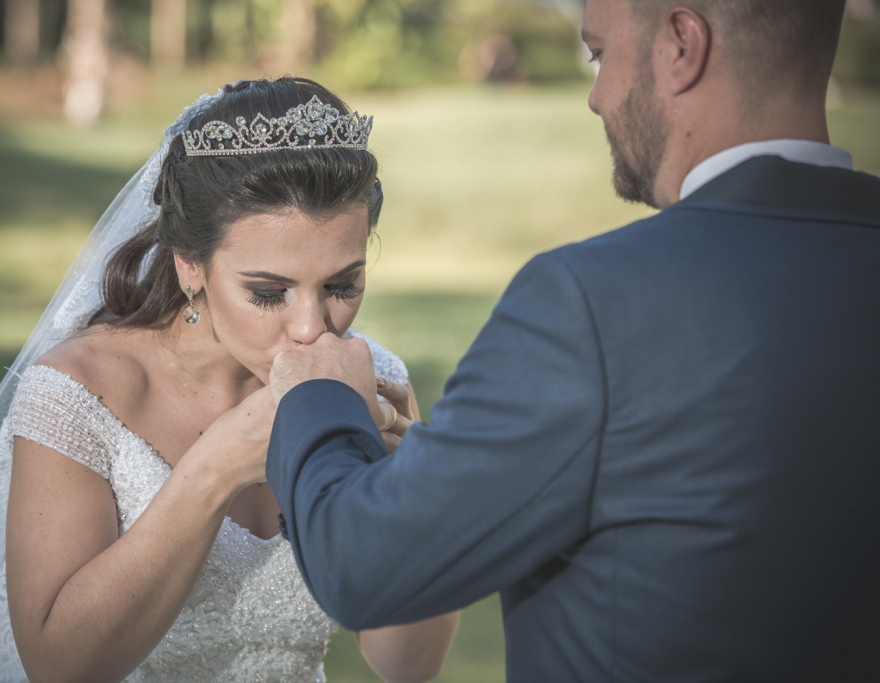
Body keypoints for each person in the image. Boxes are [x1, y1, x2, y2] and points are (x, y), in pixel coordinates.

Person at [264, 1, 880, 681]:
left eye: (599, 54)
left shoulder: (593, 303)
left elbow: (363, 566)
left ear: (682, 45)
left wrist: (319, 397)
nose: (594, 96)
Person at [0, 77, 458, 683]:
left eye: (341, 286)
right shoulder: (79, 393)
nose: (310, 329)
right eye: (269, 293)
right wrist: (217, 466)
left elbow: (408, 666)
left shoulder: (372, 382)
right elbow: (60, 667)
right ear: (189, 265)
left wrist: (413, 500)